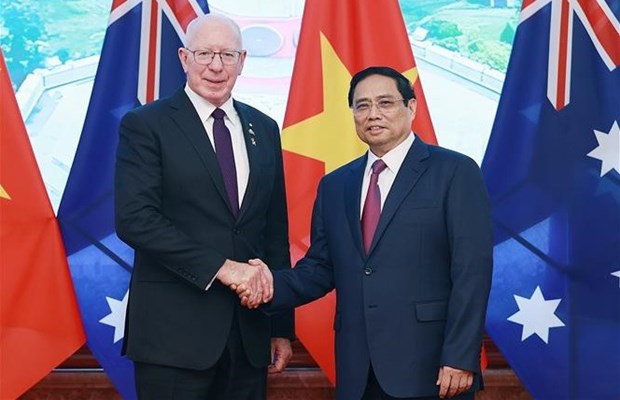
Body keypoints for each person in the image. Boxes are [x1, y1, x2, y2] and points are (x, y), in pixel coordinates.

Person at [242, 66, 493, 399]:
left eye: (385, 103)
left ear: (412, 107)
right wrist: (266, 283)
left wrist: (460, 357)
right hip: (358, 371)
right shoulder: (335, 185)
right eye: (362, 106)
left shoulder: (454, 172)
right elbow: (320, 268)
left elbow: (472, 272)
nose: (373, 114)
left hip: (433, 369)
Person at [114, 13, 293, 400]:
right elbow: (135, 220)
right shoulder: (146, 125)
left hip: (248, 336)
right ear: (183, 58)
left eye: (227, 55)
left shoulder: (263, 128)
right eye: (205, 53)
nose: (216, 65)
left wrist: (280, 324)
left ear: (243, 61)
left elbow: (274, 231)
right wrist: (223, 269)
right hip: (173, 338)